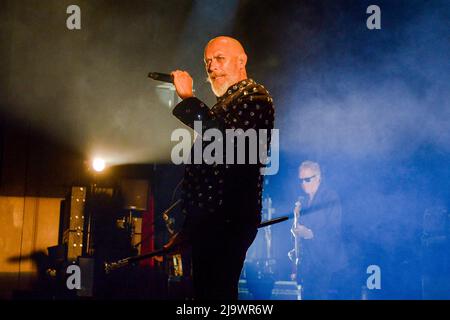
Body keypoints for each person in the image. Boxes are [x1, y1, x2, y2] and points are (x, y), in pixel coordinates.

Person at [164, 36, 275, 300]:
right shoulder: (225, 104)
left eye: (219, 59)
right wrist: (189, 228)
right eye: (208, 62)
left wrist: (188, 98)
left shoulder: (255, 96)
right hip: (209, 222)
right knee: (206, 293)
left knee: (217, 294)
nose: (212, 67)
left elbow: (229, 145)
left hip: (228, 219)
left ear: (241, 60)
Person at [290, 160, 347, 299]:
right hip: (309, 263)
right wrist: (297, 248)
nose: (303, 184)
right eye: (301, 180)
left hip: (326, 262)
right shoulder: (303, 201)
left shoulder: (330, 197)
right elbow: (299, 231)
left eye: (307, 179)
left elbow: (334, 230)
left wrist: (310, 234)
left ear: (318, 178)